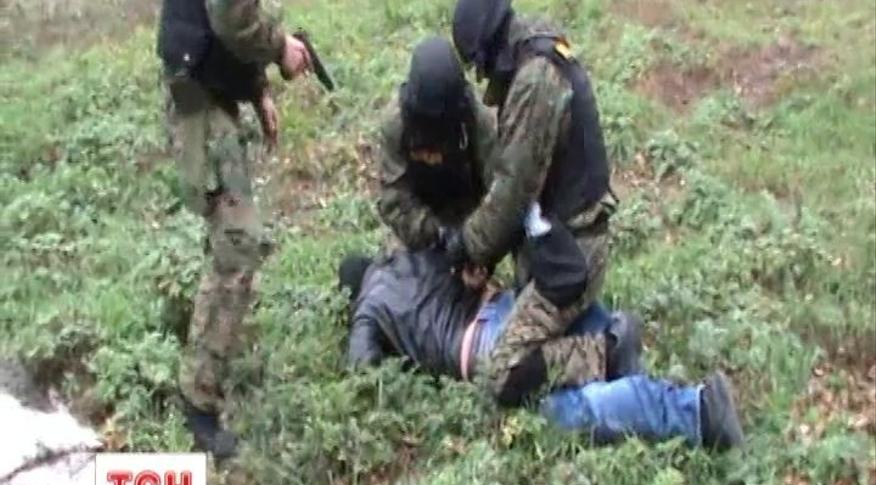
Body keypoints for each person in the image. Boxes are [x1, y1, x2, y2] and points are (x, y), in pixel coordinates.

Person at [338, 217, 744, 450]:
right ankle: (608, 340)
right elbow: (460, 246)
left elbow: (361, 370)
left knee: (562, 412)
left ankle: (696, 412)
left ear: (353, 292)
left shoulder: (368, 307)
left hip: (480, 346)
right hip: (505, 305)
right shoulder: (409, 254)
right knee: (549, 326)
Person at [156, 0, 312, 458]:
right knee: (237, 242)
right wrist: (280, 47)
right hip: (197, 92)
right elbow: (229, 15)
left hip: (209, 85)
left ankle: (202, 373)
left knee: (231, 240)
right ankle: (198, 400)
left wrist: (258, 88)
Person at [446, 0, 619, 405]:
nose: (482, 76)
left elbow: (512, 192)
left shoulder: (535, 80)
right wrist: (486, 256)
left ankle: (608, 351)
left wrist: (467, 245)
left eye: (479, 65)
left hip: (571, 255)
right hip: (559, 238)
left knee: (501, 374)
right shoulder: (534, 48)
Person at [376, 36, 498, 252]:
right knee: (404, 267)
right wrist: (436, 233)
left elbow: (497, 189)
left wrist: (473, 238)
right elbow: (394, 197)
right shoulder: (396, 124)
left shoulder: (479, 121)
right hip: (417, 218)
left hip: (471, 216)